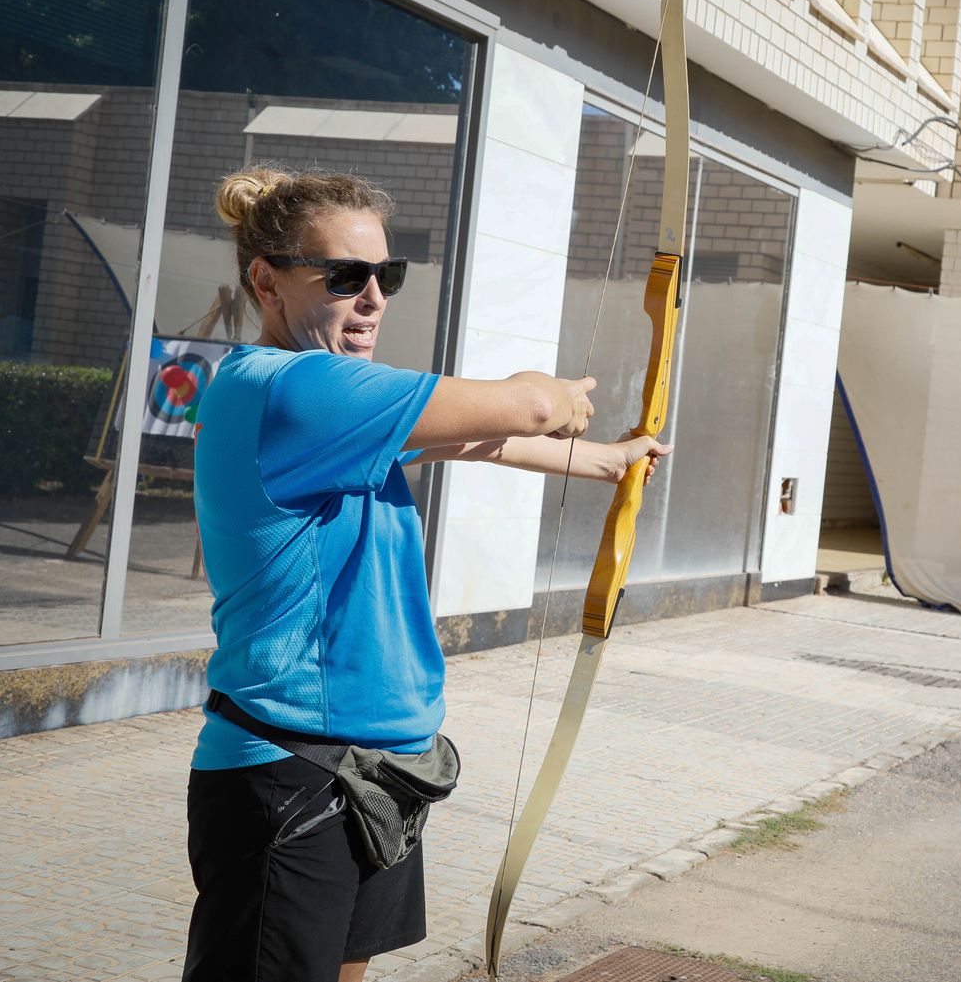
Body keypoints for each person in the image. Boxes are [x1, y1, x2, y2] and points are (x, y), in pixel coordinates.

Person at [182, 166, 669, 982]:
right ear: (265, 281)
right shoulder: (288, 388)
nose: (373, 297)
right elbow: (525, 413)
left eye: (387, 274)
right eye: (344, 275)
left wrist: (610, 458)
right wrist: (553, 397)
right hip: (291, 774)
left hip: (384, 769)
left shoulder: (338, 403)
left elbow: (478, 439)